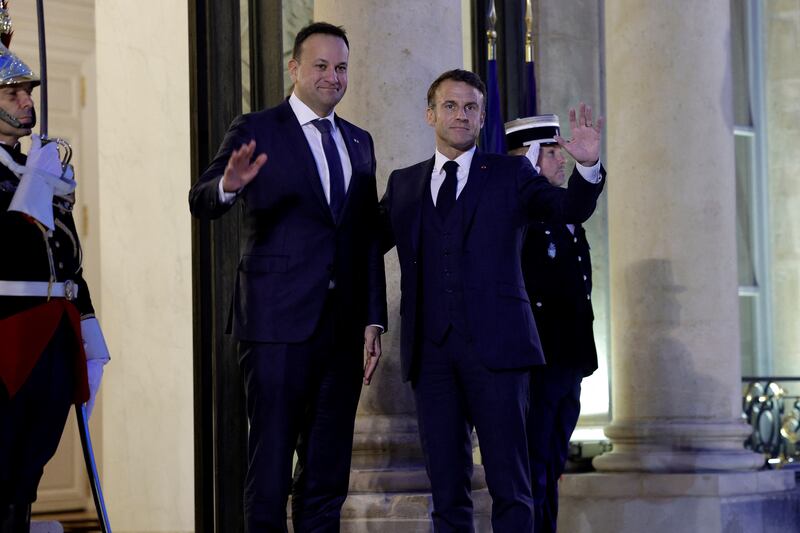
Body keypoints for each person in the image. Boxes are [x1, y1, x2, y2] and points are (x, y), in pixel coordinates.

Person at [378, 69, 605, 532]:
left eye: (470, 108)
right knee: (446, 491)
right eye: (450, 105)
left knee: (512, 489)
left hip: (499, 354)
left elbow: (569, 209)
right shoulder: (404, 184)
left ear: (482, 119)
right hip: (431, 356)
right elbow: (362, 247)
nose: (460, 115)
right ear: (429, 114)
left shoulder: (511, 174)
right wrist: (369, 320)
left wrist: (586, 168)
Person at [188, 21, 387, 532]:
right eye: (320, 66)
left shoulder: (359, 142)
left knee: (326, 475)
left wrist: (373, 320)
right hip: (275, 327)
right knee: (272, 472)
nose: (332, 76)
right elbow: (201, 199)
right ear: (294, 68)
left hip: (341, 334)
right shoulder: (257, 127)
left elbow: (365, 238)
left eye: (341, 67)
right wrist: (228, 187)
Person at [0, 38, 109, 531]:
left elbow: (66, 255)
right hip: (7, 334)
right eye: (12, 94)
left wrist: (86, 319)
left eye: (28, 93)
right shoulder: (30, 176)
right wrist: (37, 185)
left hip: (52, 330)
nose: (27, 103)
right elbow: (12, 245)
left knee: (33, 459)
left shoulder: (35, 166)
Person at [506, 114, 600, 533]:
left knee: (554, 463)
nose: (560, 161)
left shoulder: (563, 214)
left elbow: (582, 286)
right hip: (540, 361)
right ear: (526, 159)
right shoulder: (520, 215)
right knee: (535, 466)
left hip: (571, 360)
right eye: (550, 153)